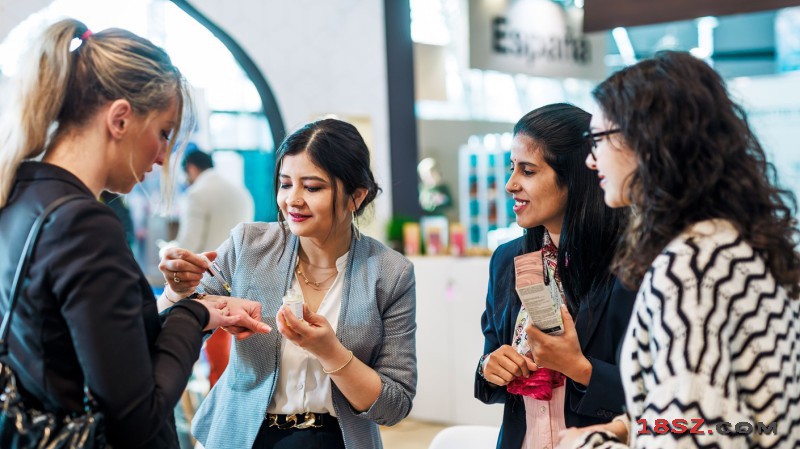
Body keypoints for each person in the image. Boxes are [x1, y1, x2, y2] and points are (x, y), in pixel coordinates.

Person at [0, 19, 268, 449]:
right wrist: (194, 314)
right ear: (121, 119)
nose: (162, 157)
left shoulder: (21, 195)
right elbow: (136, 419)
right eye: (163, 133)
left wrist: (179, 303)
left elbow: (93, 353)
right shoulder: (82, 224)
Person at [565, 51, 800, 448]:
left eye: (598, 139)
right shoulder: (741, 243)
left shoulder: (691, 265)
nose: (591, 160)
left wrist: (583, 445)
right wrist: (628, 427)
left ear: (646, 141)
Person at [159, 118, 417, 448]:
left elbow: (394, 404)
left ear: (356, 196)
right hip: (242, 437)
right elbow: (173, 325)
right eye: (285, 184)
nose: (292, 199)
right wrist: (177, 291)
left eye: (312, 188)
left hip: (335, 441)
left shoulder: (391, 273)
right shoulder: (249, 245)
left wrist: (330, 352)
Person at [475, 103, 636, 449]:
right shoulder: (507, 259)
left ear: (574, 177)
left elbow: (661, 396)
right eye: (512, 168)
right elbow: (491, 360)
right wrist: (491, 366)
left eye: (528, 171)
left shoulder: (631, 266)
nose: (510, 184)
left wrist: (581, 369)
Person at [178, 147, 255, 387]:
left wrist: (168, 252)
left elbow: (188, 247)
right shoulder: (240, 191)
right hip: (242, 279)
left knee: (215, 356)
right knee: (238, 354)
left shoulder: (197, 194)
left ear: (191, 169)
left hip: (209, 286)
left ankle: (217, 400)